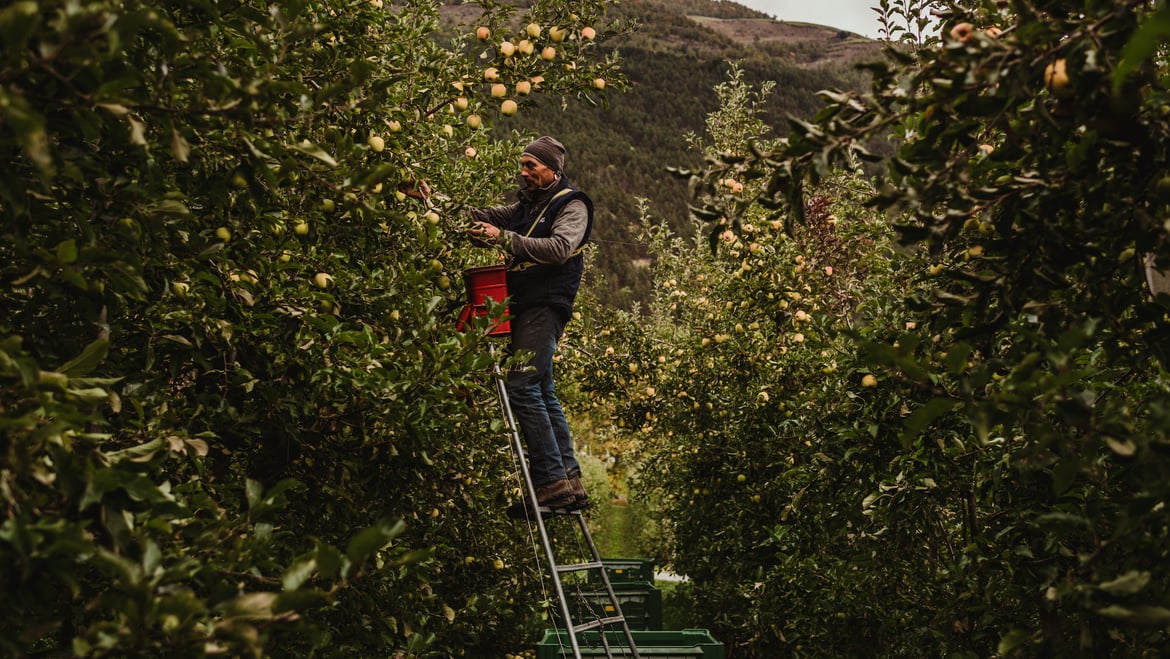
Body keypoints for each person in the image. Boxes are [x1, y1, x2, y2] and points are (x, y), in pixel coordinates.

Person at [467, 136, 594, 513]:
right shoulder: (526, 206)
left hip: (545, 305)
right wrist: (426, 198)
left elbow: (559, 249)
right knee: (542, 389)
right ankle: (569, 483)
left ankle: (551, 483)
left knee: (521, 385)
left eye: (531, 166)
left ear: (552, 168)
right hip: (525, 307)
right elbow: (479, 216)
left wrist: (503, 239)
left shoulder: (572, 205)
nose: (524, 173)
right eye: (522, 166)